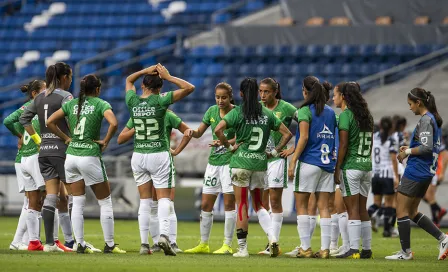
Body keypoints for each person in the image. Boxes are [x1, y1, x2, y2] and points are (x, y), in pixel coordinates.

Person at [46, 74, 125, 254]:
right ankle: (110, 244)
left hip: (71, 156)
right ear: (97, 89)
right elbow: (113, 122)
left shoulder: (71, 104)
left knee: (78, 201)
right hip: (89, 155)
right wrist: (105, 141)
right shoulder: (100, 104)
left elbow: (49, 121)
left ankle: (79, 244)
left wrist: (66, 138)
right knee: (105, 202)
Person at [214, 77, 292, 258]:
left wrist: (229, 147)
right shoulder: (266, 113)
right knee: (259, 205)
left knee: (241, 204)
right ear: (257, 92)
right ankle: (273, 238)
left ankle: (242, 249)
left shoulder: (237, 112)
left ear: (241, 94)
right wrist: (274, 152)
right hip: (260, 164)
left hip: (240, 164)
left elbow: (218, 129)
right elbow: (287, 134)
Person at [125, 63, 195, 256]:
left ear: (143, 86)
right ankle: (164, 236)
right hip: (158, 153)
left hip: (138, 155)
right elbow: (189, 88)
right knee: (164, 198)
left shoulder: (133, 100)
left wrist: (143, 71)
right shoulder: (161, 100)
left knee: (145, 202)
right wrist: (169, 76)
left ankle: (144, 244)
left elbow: (129, 80)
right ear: (160, 87)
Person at [19, 62, 83, 252]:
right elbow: (73, 119)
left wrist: (38, 138)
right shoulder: (66, 96)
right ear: (64, 78)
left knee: (51, 197)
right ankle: (78, 242)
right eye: (70, 77)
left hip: (44, 151)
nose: (71, 80)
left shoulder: (38, 98)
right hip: (62, 150)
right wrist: (69, 137)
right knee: (75, 196)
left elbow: (23, 119)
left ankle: (49, 244)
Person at [117, 109, 192, 254]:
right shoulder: (168, 114)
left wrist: (137, 128)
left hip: (141, 157)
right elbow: (188, 131)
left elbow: (120, 139)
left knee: (150, 204)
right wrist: (176, 151)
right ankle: (169, 241)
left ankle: (150, 243)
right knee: (167, 202)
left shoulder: (139, 113)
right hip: (161, 159)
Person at [385, 88, 448, 261]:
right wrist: (410, 148)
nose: (410, 108)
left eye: (411, 104)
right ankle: (443, 239)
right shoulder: (432, 119)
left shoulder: (426, 120)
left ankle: (405, 252)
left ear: (419, 102)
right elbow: (427, 145)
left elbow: (426, 147)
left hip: (417, 171)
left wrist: (408, 152)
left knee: (401, 210)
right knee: (412, 211)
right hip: (425, 171)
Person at [184, 82, 237, 255]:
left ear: (230, 97)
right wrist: (190, 132)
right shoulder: (211, 111)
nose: (220, 100)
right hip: (213, 163)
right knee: (206, 204)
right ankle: (203, 243)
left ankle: (227, 245)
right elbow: (199, 132)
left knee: (229, 204)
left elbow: (242, 137)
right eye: (217, 97)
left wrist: (224, 142)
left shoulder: (237, 112)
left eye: (224, 97)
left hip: (231, 162)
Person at [286, 78, 336, 259]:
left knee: (302, 206)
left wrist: (293, 162)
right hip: (327, 165)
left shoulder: (304, 111)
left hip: (309, 163)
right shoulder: (331, 112)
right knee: (324, 208)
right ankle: (324, 249)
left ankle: (305, 248)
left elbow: (304, 137)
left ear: (305, 91)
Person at [4, 80, 46, 251]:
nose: (47, 92)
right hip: (28, 157)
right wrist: (20, 135)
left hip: (23, 158)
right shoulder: (33, 106)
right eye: (44, 90)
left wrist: (19, 135)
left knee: (31, 202)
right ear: (35, 93)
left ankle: (26, 240)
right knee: (32, 202)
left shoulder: (27, 108)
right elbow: (7, 120)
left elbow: (8, 121)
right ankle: (19, 240)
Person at [333, 82, 374, 259]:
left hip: (351, 167)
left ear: (344, 96)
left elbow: (343, 145)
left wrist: (338, 168)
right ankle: (367, 249)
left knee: (352, 211)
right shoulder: (368, 116)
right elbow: (370, 143)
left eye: (336, 94)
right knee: (363, 209)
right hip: (366, 165)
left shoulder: (345, 115)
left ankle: (354, 249)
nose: (334, 98)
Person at [257, 78, 297, 255]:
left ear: (275, 92)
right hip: (258, 160)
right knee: (262, 204)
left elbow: (306, 125)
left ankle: (273, 244)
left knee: (274, 201)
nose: (263, 95)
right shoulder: (257, 108)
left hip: (277, 160)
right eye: (260, 91)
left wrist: (293, 148)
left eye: (266, 92)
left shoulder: (287, 108)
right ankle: (271, 241)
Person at [367, 116, 400, 237]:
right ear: (391, 127)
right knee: (389, 204)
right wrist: (396, 177)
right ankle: (387, 230)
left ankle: (368, 215)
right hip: (387, 175)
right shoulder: (391, 140)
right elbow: (393, 160)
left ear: (380, 125)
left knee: (376, 203)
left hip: (375, 175)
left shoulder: (374, 137)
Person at [423, 126, 448, 227]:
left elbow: (445, 155)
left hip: (435, 172)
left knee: (429, 196)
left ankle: (435, 221)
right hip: (428, 171)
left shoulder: (438, 140)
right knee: (426, 196)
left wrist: (442, 172)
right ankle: (439, 211)